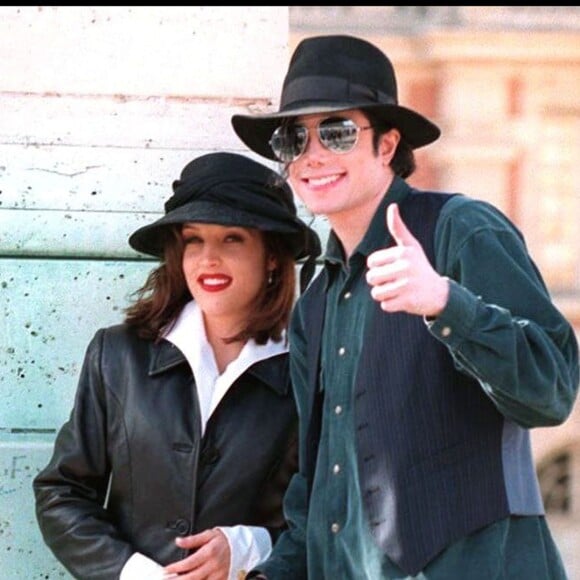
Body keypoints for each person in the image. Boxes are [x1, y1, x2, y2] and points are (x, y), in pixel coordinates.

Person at [231, 34, 580, 579]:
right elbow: (320, 484)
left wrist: (446, 304)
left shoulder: (461, 230)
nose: (312, 154)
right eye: (293, 138)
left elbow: (552, 390)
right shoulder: (317, 299)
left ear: (388, 146)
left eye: (337, 132)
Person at [32, 151, 321, 580]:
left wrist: (246, 547)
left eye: (232, 239)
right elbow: (62, 492)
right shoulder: (118, 355)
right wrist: (135, 573)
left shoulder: (309, 373)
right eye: (193, 239)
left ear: (273, 256)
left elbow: (329, 517)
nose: (208, 259)